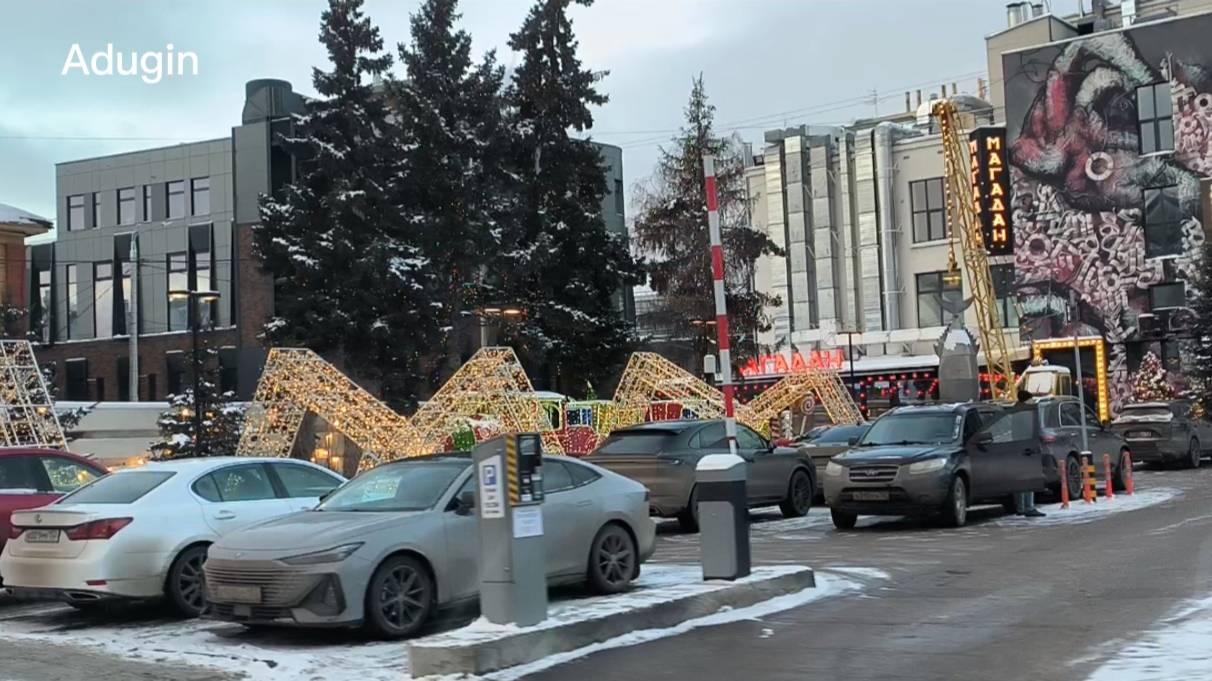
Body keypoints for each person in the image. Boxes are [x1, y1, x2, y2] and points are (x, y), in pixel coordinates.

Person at [1014, 389, 1046, 518]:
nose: (1033, 401)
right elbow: (1031, 431)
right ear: (1026, 400)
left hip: (1018, 449)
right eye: (1031, 399)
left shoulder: (1015, 411)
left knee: (1021, 479)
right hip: (1028, 449)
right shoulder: (1026, 413)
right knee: (1030, 478)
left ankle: (1021, 507)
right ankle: (1029, 507)